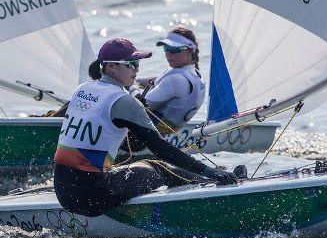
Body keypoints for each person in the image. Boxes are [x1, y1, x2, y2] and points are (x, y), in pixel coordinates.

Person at [53, 37, 237, 217]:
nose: (137, 69)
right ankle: (212, 180)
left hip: (63, 191)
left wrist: (133, 113)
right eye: (131, 64)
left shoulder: (82, 89)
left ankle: (210, 176)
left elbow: (113, 133)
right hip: (93, 197)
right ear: (110, 66)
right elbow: (162, 149)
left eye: (138, 63)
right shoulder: (125, 101)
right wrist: (209, 170)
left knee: (136, 165)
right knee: (158, 167)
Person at [137, 27, 206, 134]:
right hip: (162, 137)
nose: (168, 54)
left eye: (174, 50)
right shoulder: (195, 75)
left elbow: (136, 106)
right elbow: (156, 81)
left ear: (189, 50)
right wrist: (133, 81)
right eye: (166, 48)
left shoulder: (176, 80)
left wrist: (127, 86)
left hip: (138, 142)